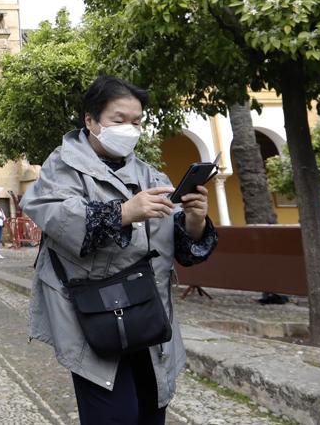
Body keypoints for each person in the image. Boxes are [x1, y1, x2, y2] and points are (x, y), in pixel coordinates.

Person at [20, 76, 217, 425]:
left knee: (150, 409)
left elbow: (184, 250)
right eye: (118, 120)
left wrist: (194, 221)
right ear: (91, 121)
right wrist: (126, 212)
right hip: (92, 314)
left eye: (137, 122)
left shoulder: (150, 175)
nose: (129, 129)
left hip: (149, 315)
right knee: (114, 415)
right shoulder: (60, 168)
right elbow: (57, 217)